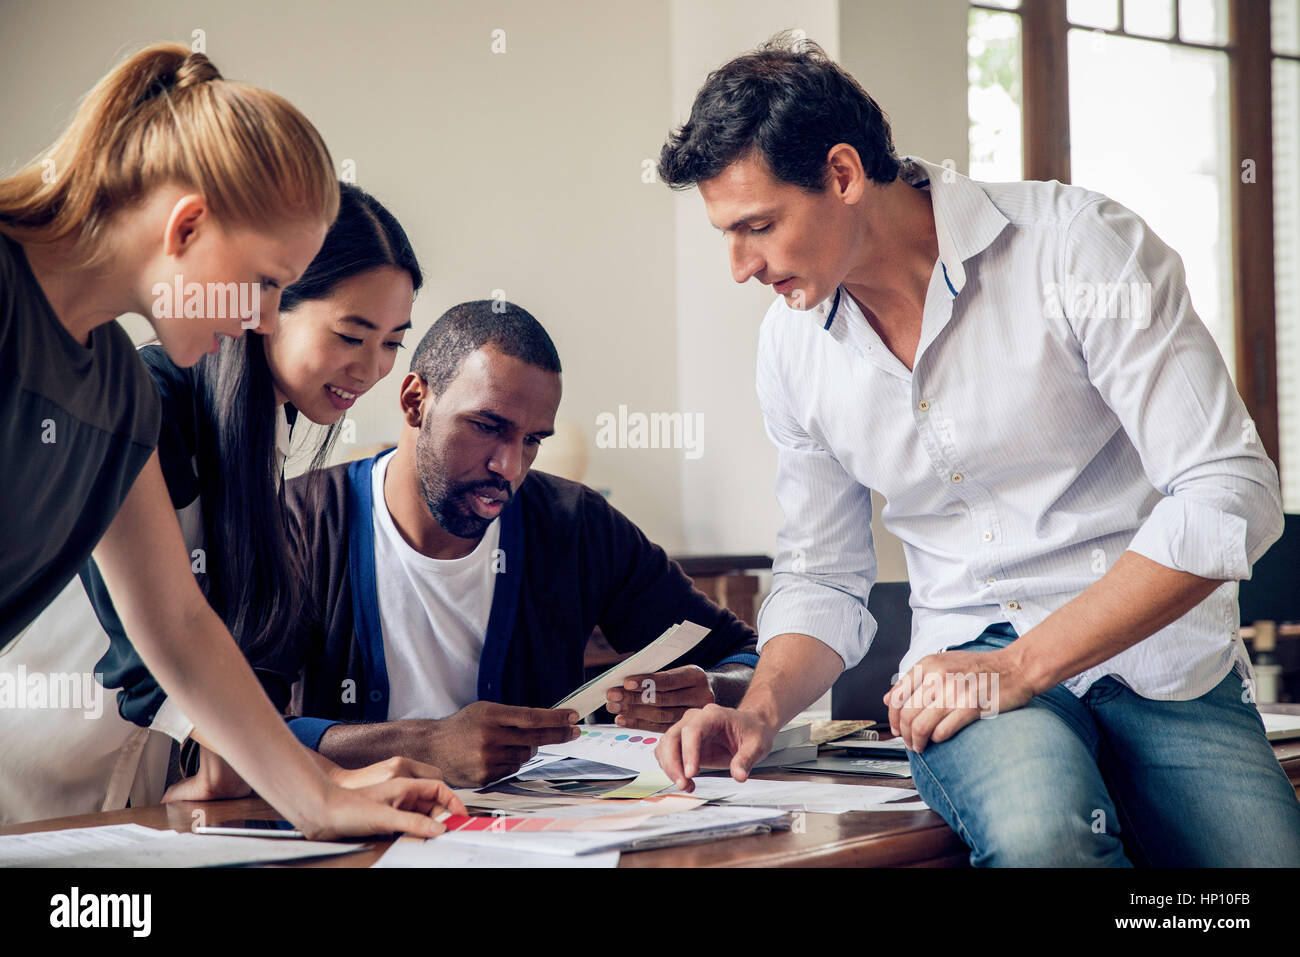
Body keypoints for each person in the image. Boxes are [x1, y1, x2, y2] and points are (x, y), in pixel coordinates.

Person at [651, 34, 1300, 866]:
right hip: (967, 667)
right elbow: (821, 573)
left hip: (1159, 659)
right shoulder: (792, 347)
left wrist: (1028, 663)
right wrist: (759, 710)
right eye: (727, 234)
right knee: (1047, 841)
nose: (740, 266)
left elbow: (1227, 491)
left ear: (843, 176)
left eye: (758, 226)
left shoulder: (1077, 247)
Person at [0, 43, 462, 837]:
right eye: (264, 282)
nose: (259, 318)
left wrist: (322, 799)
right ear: (187, 226)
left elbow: (176, 623)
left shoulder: (113, 383)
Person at [240, 299, 758, 788]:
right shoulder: (296, 523)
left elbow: (745, 655)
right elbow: (225, 737)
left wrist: (714, 690)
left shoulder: (575, 525)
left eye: (532, 440)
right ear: (415, 401)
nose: (509, 467)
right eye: (487, 426)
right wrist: (424, 745)